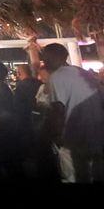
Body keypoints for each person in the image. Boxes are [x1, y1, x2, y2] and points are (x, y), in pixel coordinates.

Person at [37, 42, 104, 183]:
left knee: (75, 176)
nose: (45, 61)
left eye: (45, 57)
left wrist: (58, 138)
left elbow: (58, 111)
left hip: (75, 138)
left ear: (57, 57)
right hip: (97, 133)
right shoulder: (83, 73)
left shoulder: (57, 77)